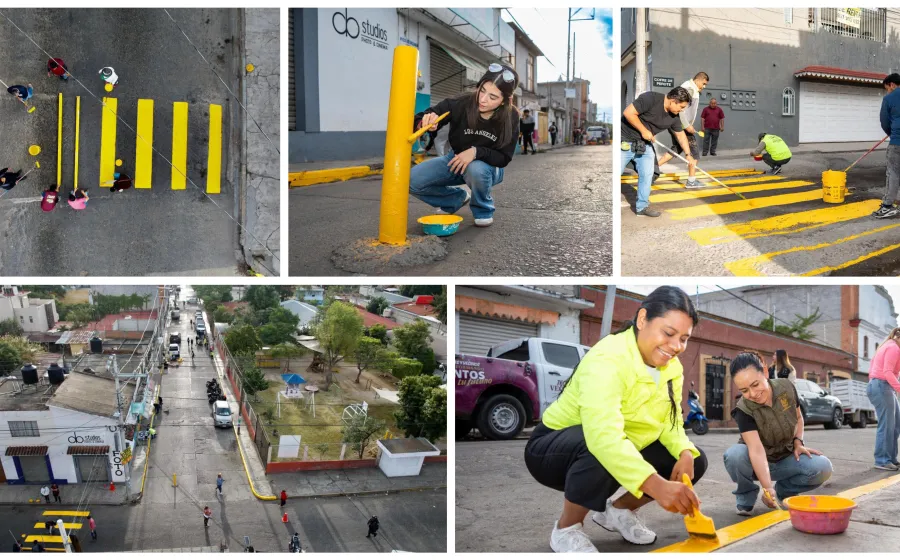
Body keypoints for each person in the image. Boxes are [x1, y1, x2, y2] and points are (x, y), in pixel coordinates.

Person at [524, 286, 707, 553]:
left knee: (695, 460)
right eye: (668, 333)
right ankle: (566, 529)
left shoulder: (672, 368)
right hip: (552, 450)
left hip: (618, 441)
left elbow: (671, 422)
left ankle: (619, 512)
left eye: (684, 338)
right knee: (598, 447)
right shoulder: (608, 358)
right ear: (642, 319)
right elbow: (603, 436)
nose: (676, 346)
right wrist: (656, 486)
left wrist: (684, 452)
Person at [409, 63, 520, 228]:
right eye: (482, 90)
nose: (483, 99)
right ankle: (455, 199)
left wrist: (475, 152)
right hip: (454, 159)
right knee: (411, 180)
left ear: (505, 100)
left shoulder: (511, 116)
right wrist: (426, 121)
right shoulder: (460, 103)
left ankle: (483, 208)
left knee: (476, 168)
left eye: (492, 97)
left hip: (489, 166)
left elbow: (504, 157)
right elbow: (419, 119)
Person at [725, 352, 833, 515]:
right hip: (756, 463)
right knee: (734, 455)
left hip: (785, 459)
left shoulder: (786, 387)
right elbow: (756, 449)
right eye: (744, 390)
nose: (752, 394)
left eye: (755, 384)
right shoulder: (743, 409)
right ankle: (746, 498)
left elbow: (798, 417)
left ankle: (784, 492)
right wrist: (767, 488)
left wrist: (798, 442)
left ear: (765, 372)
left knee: (823, 467)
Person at [621, 87, 696, 217]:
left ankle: (642, 207)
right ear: (673, 101)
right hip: (625, 140)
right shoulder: (651, 98)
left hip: (644, 144)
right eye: (681, 107)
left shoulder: (674, 116)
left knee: (648, 174)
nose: (682, 110)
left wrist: (688, 155)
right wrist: (644, 130)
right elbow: (628, 113)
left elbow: (680, 135)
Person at [657, 72, 709, 186]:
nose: (704, 86)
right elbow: (680, 109)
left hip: (678, 124)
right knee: (694, 154)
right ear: (698, 80)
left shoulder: (691, 88)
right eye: (704, 83)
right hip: (681, 125)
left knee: (676, 149)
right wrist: (687, 125)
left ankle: (654, 167)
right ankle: (691, 181)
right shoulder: (690, 89)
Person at [866, 327, 900, 470]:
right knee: (887, 425)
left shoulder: (888, 345)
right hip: (881, 385)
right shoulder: (893, 348)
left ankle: (891, 458)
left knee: (896, 423)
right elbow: (887, 372)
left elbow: (873, 368)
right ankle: (882, 460)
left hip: (882, 386)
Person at [877, 73, 900, 219]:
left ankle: (887, 207)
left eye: (887, 88)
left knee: (893, 173)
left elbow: (884, 121)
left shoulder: (889, 98)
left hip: (897, 142)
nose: (888, 91)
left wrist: (892, 133)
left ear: (892, 84)